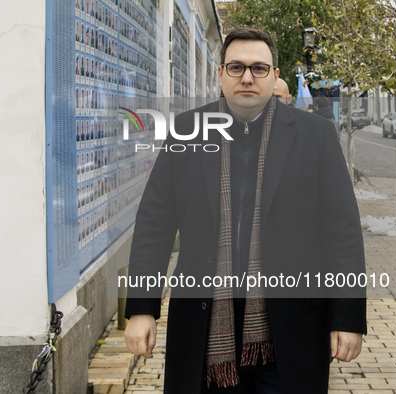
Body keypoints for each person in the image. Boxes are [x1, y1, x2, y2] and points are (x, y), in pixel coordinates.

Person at [124, 28, 366, 394]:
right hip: (206, 326)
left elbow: (342, 230)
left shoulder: (315, 135)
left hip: (291, 327)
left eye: (259, 68)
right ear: (220, 74)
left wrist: (348, 318)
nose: (248, 77)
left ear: (274, 75)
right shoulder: (187, 132)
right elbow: (154, 225)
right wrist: (142, 308)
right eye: (236, 67)